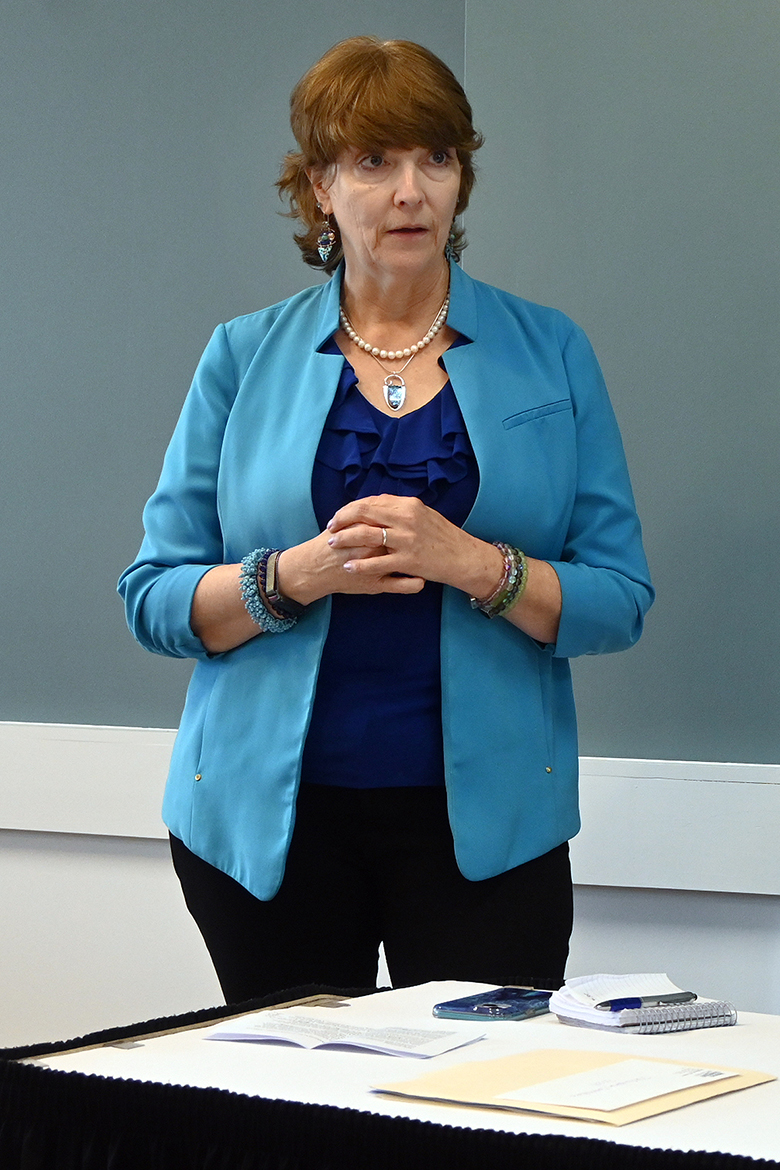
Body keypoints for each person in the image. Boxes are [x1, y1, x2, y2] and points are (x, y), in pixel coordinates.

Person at [119, 36, 653, 1004]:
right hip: (265, 839)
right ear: (319, 187)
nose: (412, 191)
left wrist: (478, 565)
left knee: (475, 1129)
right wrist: (290, 577)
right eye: (374, 161)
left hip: (489, 836)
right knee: (289, 1132)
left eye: (436, 159)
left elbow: (618, 598)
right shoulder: (241, 356)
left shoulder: (551, 350)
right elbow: (153, 597)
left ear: (461, 180)